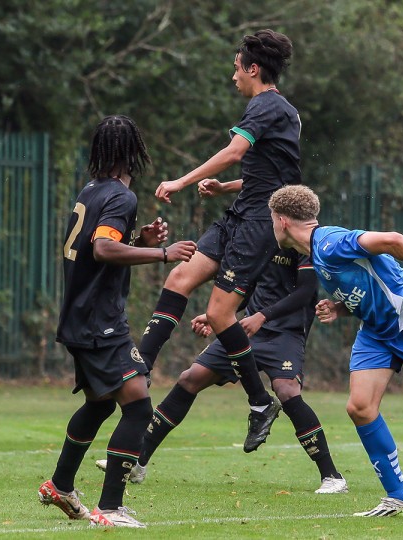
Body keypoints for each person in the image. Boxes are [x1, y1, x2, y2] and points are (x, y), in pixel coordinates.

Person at [138, 29, 300, 453]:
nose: (233, 76)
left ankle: (260, 401)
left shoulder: (267, 105)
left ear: (253, 69)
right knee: (179, 277)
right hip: (239, 214)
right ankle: (137, 368)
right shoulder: (276, 111)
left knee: (219, 312)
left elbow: (234, 151)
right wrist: (227, 188)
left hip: (259, 225)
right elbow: (271, 173)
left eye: (236, 68)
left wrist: (182, 180)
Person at [37, 115, 197, 528]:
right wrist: (162, 254)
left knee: (100, 402)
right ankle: (109, 508)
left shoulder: (92, 191)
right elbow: (104, 249)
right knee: (139, 406)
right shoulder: (122, 198)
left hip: (79, 316)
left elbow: (99, 247)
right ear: (132, 154)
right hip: (99, 322)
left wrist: (139, 242)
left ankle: (60, 485)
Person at [267, 184, 403, 517]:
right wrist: (340, 308)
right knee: (360, 407)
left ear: (283, 221)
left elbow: (394, 241)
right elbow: (367, 285)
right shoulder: (316, 254)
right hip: (376, 331)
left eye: (271, 219)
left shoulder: (330, 242)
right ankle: (399, 499)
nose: (270, 226)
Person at [97, 247, 349, 494]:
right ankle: (138, 463)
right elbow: (250, 287)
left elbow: (306, 292)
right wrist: (218, 314)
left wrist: (262, 315)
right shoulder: (263, 238)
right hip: (248, 329)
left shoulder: (305, 244)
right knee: (190, 378)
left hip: (285, 335)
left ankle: (331, 476)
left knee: (287, 389)